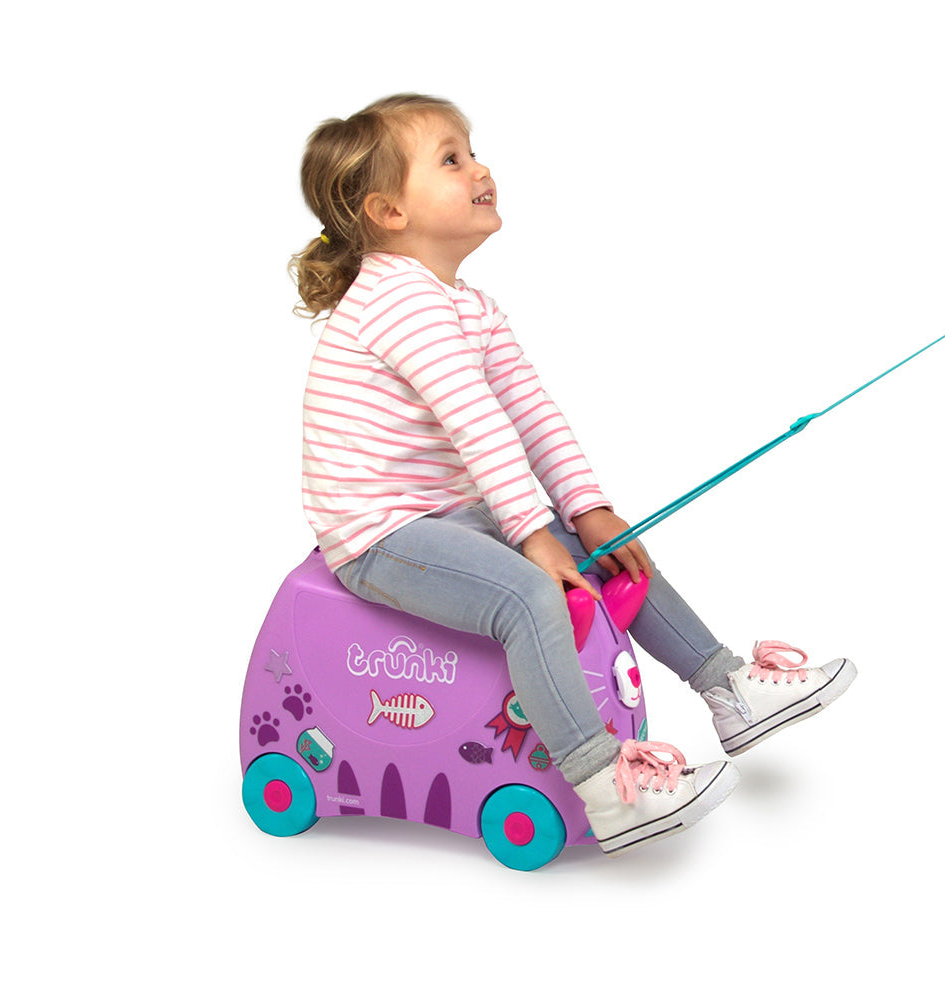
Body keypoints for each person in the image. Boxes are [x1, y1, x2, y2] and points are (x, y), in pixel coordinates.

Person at [290, 93, 856, 857]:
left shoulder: (469, 306)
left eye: (472, 152)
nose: (479, 168)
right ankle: (606, 789)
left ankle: (729, 689)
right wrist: (532, 534)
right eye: (451, 160)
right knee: (529, 593)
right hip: (380, 535)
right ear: (390, 211)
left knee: (609, 551)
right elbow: (478, 424)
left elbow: (532, 414)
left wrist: (587, 510)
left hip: (451, 513)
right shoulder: (398, 301)